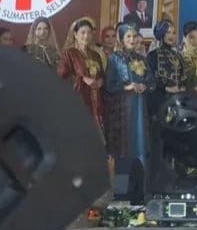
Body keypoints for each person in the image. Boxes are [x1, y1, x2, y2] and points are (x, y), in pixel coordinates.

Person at [104, 24, 150, 161]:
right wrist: (126, 87)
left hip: (140, 105)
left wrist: (144, 85)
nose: (132, 39)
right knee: (125, 141)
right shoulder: (114, 58)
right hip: (123, 106)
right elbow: (109, 85)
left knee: (139, 137)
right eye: (128, 36)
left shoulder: (142, 59)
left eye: (134, 36)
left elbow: (151, 81)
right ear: (122, 39)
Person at [57, 17, 106, 136]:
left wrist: (101, 80)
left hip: (96, 99)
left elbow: (101, 74)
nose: (86, 36)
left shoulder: (96, 55)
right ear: (75, 34)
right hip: (79, 100)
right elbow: (61, 77)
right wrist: (82, 79)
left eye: (89, 33)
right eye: (83, 32)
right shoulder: (69, 54)